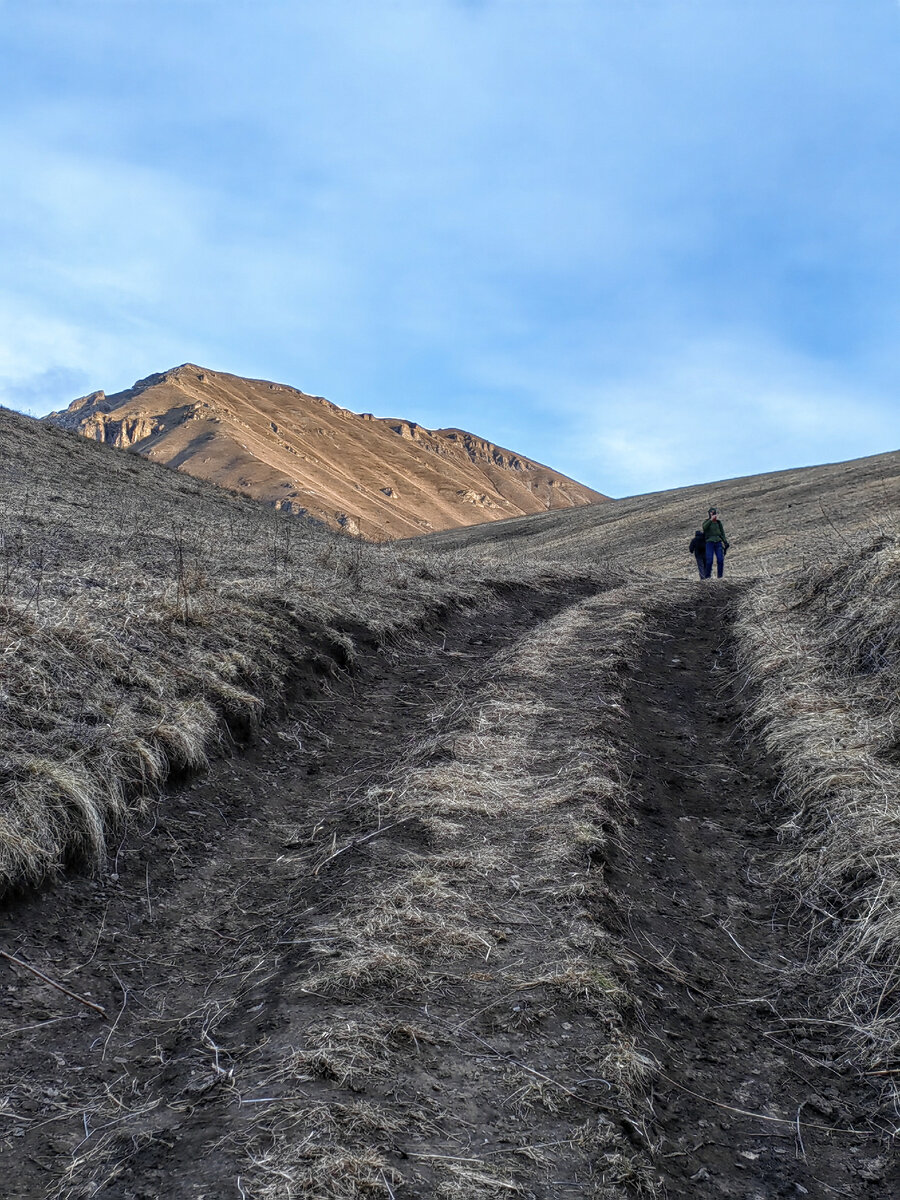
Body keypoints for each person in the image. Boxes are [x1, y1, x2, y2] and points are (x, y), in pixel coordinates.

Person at [702, 507, 729, 578]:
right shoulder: (706, 522)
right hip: (709, 542)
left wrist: (725, 542)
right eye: (711, 513)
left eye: (714, 513)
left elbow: (721, 533)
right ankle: (707, 577)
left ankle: (720, 577)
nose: (713, 514)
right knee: (709, 560)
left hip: (718, 542)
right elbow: (704, 527)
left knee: (720, 560)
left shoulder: (718, 523)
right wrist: (711, 519)